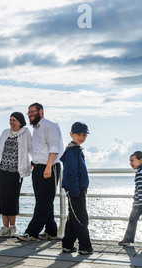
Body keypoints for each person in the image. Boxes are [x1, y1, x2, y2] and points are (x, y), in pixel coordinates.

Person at [18, 102, 64, 242]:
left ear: (41, 111)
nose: (30, 115)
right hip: (38, 167)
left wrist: (48, 166)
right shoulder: (36, 129)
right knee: (43, 200)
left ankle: (32, 232)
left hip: (49, 167)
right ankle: (51, 231)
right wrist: (34, 163)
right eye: (29, 113)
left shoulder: (50, 126)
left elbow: (54, 148)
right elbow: (39, 149)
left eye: (33, 112)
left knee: (43, 202)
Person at [0, 112, 32, 237]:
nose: (12, 123)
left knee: (12, 199)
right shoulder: (5, 132)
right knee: (2, 198)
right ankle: (4, 227)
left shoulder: (25, 133)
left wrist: (34, 161)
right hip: (1, 171)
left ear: (20, 122)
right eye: (10, 120)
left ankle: (13, 227)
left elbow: (31, 148)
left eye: (14, 120)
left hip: (16, 173)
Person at [60, 122, 93, 255]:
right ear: (71, 134)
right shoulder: (72, 151)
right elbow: (71, 172)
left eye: (84, 135)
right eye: (78, 134)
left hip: (79, 189)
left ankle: (67, 245)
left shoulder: (76, 150)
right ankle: (85, 247)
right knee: (81, 218)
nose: (81, 137)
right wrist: (75, 191)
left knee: (73, 217)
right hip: (75, 190)